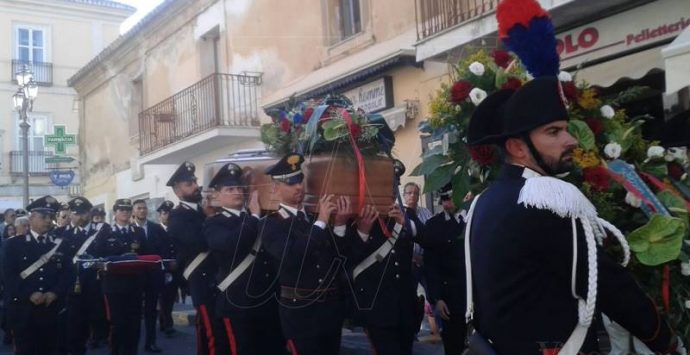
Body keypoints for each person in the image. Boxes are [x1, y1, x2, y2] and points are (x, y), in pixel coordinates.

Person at [464, 77, 684, 353]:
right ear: (517, 148)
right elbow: (609, 285)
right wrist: (664, 339)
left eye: (567, 130)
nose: (570, 140)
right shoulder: (546, 199)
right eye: (553, 132)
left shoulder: (486, 200)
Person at [203, 163, 285, 354]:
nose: (237, 192)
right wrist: (255, 216)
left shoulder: (262, 217)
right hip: (238, 304)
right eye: (230, 189)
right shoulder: (214, 224)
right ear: (217, 195)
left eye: (240, 188)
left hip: (267, 301)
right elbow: (233, 244)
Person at [166, 161, 225, 355]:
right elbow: (201, 242)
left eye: (194, 181)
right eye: (188, 184)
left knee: (218, 329)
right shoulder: (177, 216)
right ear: (177, 190)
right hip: (200, 279)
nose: (195, 186)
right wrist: (211, 219)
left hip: (218, 277)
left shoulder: (205, 209)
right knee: (212, 331)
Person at [345, 202, 419, 355]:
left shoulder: (403, 214)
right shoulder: (354, 219)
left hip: (405, 307)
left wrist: (404, 223)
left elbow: (427, 237)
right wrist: (363, 232)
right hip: (379, 310)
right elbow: (349, 260)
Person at [3, 195, 73, 355]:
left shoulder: (62, 244)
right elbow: (8, 276)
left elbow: (68, 273)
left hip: (52, 309)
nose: (48, 220)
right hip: (24, 310)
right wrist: (29, 293)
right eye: (44, 216)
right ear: (31, 218)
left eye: (51, 216)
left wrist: (55, 292)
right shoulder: (13, 245)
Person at [92, 198, 152, 355]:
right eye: (121, 210)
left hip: (134, 285)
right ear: (115, 212)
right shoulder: (105, 232)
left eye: (127, 209)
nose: (124, 212)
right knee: (118, 324)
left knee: (134, 324)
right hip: (114, 286)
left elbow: (145, 256)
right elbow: (98, 256)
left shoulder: (138, 232)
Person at [58, 197, 109, 355]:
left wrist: (102, 264)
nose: (80, 216)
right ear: (71, 215)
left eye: (83, 213)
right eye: (76, 213)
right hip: (71, 288)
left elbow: (109, 256)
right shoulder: (62, 235)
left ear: (89, 213)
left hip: (94, 287)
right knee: (73, 330)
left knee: (92, 326)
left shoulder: (101, 233)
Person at [422, 183, 468, 355]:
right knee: (453, 345)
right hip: (450, 297)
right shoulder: (434, 225)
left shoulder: (472, 219)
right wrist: (437, 298)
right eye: (444, 200)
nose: (447, 204)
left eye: (450, 199)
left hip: (475, 294)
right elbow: (431, 265)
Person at [132, 199, 166, 353]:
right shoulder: (129, 229)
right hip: (135, 276)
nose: (142, 211)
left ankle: (150, 342)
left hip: (153, 275)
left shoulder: (156, 228)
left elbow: (165, 249)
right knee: (134, 312)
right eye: (139, 208)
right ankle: (133, 345)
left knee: (151, 310)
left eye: (144, 208)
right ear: (133, 211)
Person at [155, 200, 178, 337]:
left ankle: (164, 320)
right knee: (164, 296)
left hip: (175, 268)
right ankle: (167, 323)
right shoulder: (156, 230)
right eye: (164, 213)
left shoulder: (176, 228)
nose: (167, 216)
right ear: (160, 215)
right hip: (162, 269)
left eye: (170, 213)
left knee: (171, 296)